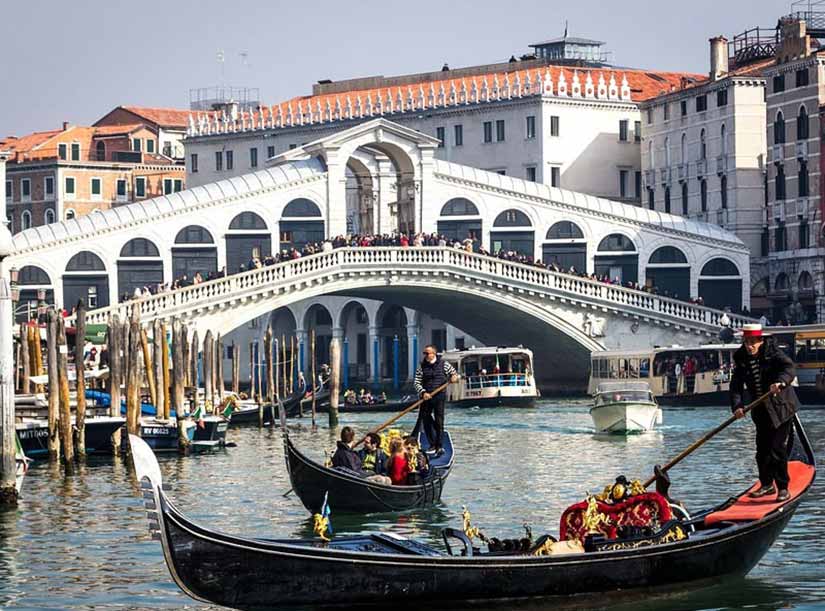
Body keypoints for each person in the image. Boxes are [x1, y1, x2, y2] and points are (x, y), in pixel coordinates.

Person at [730, 324, 799, 502]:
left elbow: (789, 368)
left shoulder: (773, 352)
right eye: (746, 342)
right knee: (762, 451)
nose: (749, 346)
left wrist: (781, 382)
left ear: (760, 341)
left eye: (752, 342)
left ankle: (783, 487)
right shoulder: (741, 357)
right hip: (760, 409)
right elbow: (736, 384)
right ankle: (767, 484)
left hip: (781, 407)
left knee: (777, 448)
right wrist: (737, 406)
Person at [412, 344, 458, 456]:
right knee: (425, 418)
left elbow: (455, 375)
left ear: (434, 354)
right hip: (426, 396)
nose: (425, 355)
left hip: (439, 396)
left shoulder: (444, 365)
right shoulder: (421, 367)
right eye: (424, 353)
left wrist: (454, 377)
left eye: (427, 353)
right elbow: (416, 382)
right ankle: (432, 443)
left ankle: (439, 445)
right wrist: (423, 393)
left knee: (439, 421)